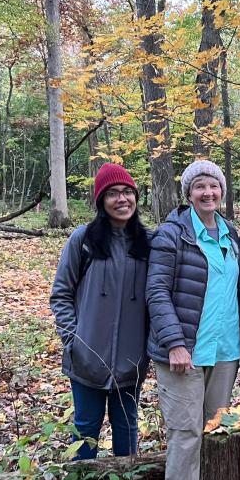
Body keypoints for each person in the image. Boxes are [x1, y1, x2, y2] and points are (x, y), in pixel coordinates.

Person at [147, 160, 240, 480]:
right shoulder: (172, 233)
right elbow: (156, 291)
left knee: (215, 429)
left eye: (214, 186)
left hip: (225, 350)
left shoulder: (230, 234)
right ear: (188, 193)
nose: (208, 192)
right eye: (200, 186)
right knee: (186, 432)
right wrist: (174, 343)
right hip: (184, 351)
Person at [50, 163, 151, 459]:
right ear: (101, 201)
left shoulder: (149, 244)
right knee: (85, 430)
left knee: (127, 428)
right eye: (113, 194)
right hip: (86, 361)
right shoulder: (83, 240)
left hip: (131, 362)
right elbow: (61, 294)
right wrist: (74, 340)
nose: (122, 199)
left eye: (128, 192)